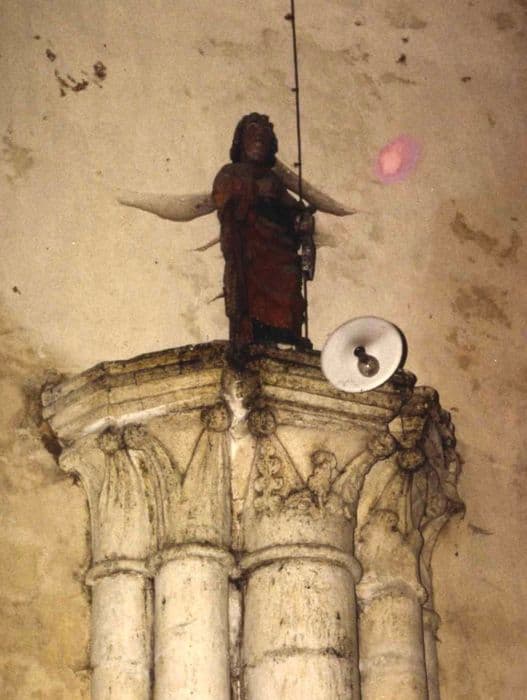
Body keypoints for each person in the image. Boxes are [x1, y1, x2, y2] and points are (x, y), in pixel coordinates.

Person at [212, 113, 315, 349]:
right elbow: (223, 200)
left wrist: (301, 217)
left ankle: (285, 328)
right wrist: (247, 195)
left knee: (289, 275)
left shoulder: (273, 180)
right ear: (241, 143)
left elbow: (290, 207)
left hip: (277, 244)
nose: (258, 144)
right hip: (247, 239)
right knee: (245, 282)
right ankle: (247, 327)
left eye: (264, 140)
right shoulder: (230, 172)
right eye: (253, 138)